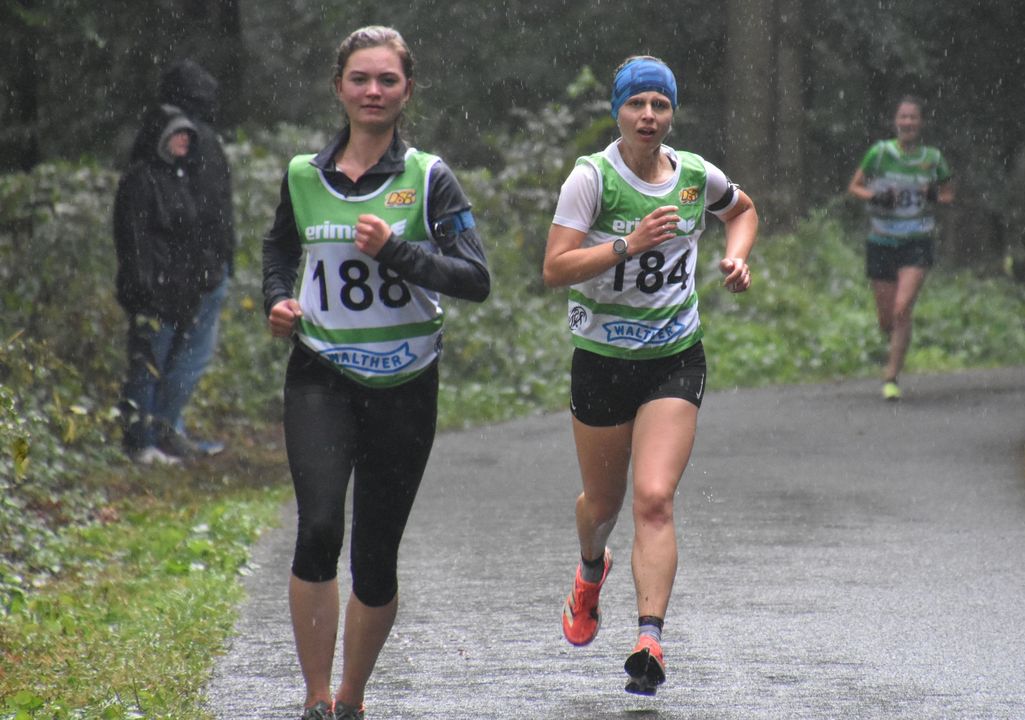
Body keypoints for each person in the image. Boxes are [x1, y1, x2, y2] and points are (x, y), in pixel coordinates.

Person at [261, 26, 489, 720]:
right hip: (321, 373)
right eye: (360, 79)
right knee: (319, 527)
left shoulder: (429, 177)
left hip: (405, 382)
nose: (372, 91)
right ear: (339, 88)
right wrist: (276, 297)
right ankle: (314, 699)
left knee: (376, 552)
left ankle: (352, 699)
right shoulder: (304, 174)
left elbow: (475, 278)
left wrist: (400, 252)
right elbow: (278, 245)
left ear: (406, 91)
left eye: (387, 80)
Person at [543, 55, 757, 696]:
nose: (648, 116)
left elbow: (743, 209)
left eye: (660, 105)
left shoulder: (694, 175)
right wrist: (626, 245)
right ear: (617, 111)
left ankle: (650, 639)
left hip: (674, 357)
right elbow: (554, 268)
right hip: (602, 362)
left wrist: (734, 256)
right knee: (602, 508)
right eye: (637, 104)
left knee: (655, 499)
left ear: (672, 113)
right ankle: (589, 570)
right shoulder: (592, 179)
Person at [123, 59, 237, 458]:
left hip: (182, 274)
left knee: (167, 353)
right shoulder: (177, 155)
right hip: (183, 276)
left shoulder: (179, 144)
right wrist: (209, 263)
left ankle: (163, 431)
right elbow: (206, 212)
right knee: (177, 354)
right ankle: (157, 432)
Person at [847, 95, 954, 401]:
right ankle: (896, 341)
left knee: (902, 308)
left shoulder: (932, 158)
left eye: (913, 118)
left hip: (917, 240)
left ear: (920, 123)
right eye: (903, 117)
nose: (908, 123)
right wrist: (875, 197)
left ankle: (891, 376)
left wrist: (933, 193)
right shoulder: (880, 154)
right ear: (896, 122)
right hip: (881, 239)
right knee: (886, 318)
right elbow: (855, 187)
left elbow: (948, 194)